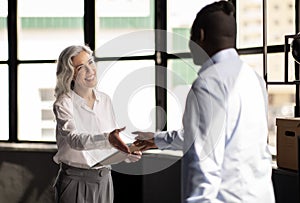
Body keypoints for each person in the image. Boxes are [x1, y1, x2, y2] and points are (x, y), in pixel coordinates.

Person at [133, 1, 275, 202]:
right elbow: (216, 136)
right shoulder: (253, 77)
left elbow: (203, 163)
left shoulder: (208, 83)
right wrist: (157, 139)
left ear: (200, 35)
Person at [52, 45, 141, 203]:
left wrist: (125, 153)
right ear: (70, 74)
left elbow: (108, 145)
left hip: (104, 179)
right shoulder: (63, 103)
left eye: (90, 62)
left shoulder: (105, 100)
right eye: (81, 67)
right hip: (75, 180)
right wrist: (108, 139)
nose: (90, 70)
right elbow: (75, 140)